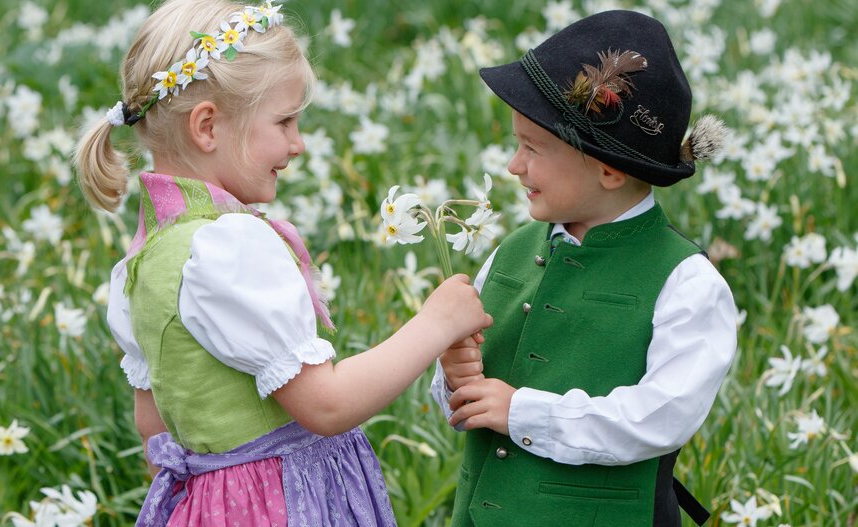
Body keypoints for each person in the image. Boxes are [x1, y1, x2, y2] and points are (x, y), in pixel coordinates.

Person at [73, 1, 493, 525]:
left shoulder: (140, 263)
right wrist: (436, 323)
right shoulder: (229, 247)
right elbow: (327, 405)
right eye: (285, 121)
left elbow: (154, 431)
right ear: (208, 127)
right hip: (287, 502)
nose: (298, 144)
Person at [430, 10, 737, 527]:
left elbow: (661, 417)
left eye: (532, 148)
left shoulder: (686, 282)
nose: (513, 165)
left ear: (609, 171)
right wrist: (453, 376)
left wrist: (524, 413)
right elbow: (470, 402)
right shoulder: (510, 253)